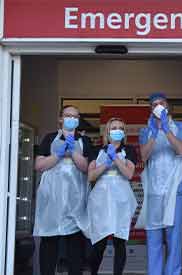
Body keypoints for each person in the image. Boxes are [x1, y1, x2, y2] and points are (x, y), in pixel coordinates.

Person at [136, 92, 182, 275]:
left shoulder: (181, 127)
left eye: (161, 103)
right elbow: (144, 156)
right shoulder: (146, 130)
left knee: (174, 239)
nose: (158, 106)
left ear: (168, 107)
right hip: (154, 192)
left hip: (176, 191)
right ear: (151, 110)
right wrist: (154, 132)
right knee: (154, 239)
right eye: (154, 105)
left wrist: (166, 129)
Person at [33, 105, 93, 275]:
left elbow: (85, 167)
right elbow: (39, 165)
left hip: (75, 197)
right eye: (68, 115)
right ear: (60, 119)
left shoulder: (84, 141)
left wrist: (73, 151)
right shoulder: (49, 138)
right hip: (52, 197)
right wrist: (57, 155)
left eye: (75, 116)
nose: (72, 119)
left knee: (75, 243)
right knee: (49, 241)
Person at [85, 117, 138, 275]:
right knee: (99, 243)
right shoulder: (96, 151)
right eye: (114, 128)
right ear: (107, 132)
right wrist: (106, 162)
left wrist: (115, 158)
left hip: (121, 200)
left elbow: (129, 174)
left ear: (124, 132)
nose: (117, 131)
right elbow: (91, 176)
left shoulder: (129, 150)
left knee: (119, 242)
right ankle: (93, 272)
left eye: (120, 128)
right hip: (101, 200)